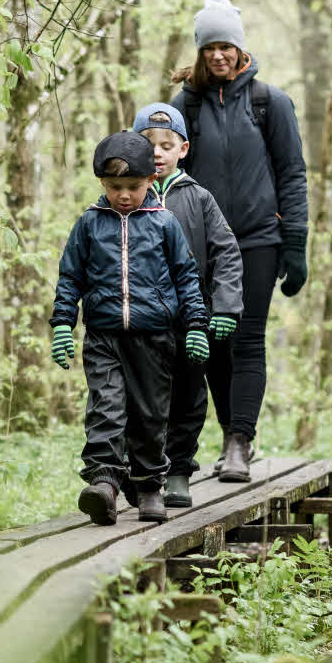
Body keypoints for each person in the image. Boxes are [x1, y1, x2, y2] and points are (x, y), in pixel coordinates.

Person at [169, 0, 309, 481]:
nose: (218, 56)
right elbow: (164, 173)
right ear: (201, 51)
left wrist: (296, 242)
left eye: (226, 46)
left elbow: (292, 174)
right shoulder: (184, 106)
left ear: (240, 48)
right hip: (200, 247)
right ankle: (231, 432)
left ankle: (238, 442)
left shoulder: (270, 102)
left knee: (247, 339)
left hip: (257, 241)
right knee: (210, 340)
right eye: (210, 47)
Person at [50, 131, 210, 526]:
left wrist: (195, 325)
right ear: (102, 184)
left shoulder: (165, 224)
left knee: (150, 414)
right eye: (114, 187)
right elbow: (70, 278)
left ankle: (149, 485)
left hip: (154, 337)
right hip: (103, 335)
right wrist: (62, 324)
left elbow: (186, 277)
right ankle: (104, 482)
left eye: (133, 187)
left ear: (151, 181)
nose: (124, 195)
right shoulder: (89, 224)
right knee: (105, 408)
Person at [128, 101, 243, 507]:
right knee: (143, 402)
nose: (157, 152)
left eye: (166, 144)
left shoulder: (199, 199)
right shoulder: (126, 197)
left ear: (183, 149)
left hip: (193, 322)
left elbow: (226, 253)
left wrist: (226, 306)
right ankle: (144, 473)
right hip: (141, 325)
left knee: (189, 400)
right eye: (148, 144)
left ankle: (179, 471)